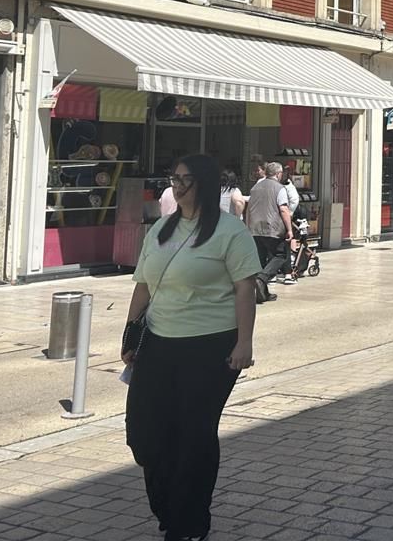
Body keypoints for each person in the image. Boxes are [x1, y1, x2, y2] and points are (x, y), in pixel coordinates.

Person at [122, 154, 261, 541]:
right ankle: (169, 508)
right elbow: (144, 284)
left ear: (204, 183)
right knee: (145, 434)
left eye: (186, 179)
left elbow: (244, 288)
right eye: (174, 178)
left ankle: (188, 522)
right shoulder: (161, 230)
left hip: (211, 348)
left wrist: (244, 342)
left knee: (193, 435)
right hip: (159, 344)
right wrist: (130, 333)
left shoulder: (230, 232)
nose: (177, 185)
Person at [245, 161, 292, 298]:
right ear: (278, 174)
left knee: (261, 259)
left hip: (255, 228)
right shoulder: (279, 188)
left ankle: (262, 292)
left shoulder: (256, 187)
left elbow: (249, 209)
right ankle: (262, 278)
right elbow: (283, 209)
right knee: (280, 255)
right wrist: (289, 229)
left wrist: (248, 226)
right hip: (273, 228)